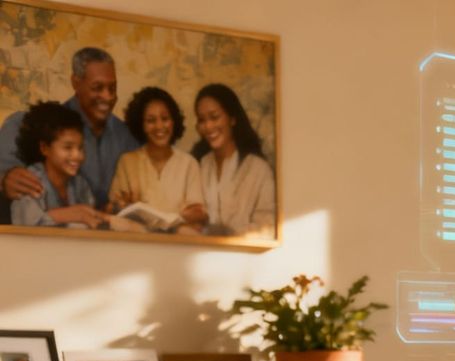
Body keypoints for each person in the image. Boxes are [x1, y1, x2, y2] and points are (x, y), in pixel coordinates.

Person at [0, 47, 136, 221]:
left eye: (113, 88)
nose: (108, 96)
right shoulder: (29, 123)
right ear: (76, 82)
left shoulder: (129, 137)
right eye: (97, 87)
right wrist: (4, 178)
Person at [108, 86, 205, 233]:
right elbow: (113, 206)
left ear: (173, 121)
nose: (159, 126)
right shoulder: (127, 161)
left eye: (165, 119)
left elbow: (198, 211)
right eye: (151, 120)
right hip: (139, 238)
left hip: (177, 239)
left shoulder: (189, 163)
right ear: (141, 125)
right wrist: (121, 206)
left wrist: (177, 218)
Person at [191, 83, 275, 237]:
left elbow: (267, 226)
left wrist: (229, 237)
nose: (208, 126)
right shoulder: (198, 166)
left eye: (214, 117)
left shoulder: (259, 170)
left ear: (232, 119)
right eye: (202, 120)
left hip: (243, 257)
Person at [7, 102, 106, 229]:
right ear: (44, 148)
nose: (78, 156)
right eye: (68, 147)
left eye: (80, 148)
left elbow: (90, 222)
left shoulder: (81, 184)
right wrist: (74, 214)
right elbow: (26, 226)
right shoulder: (28, 182)